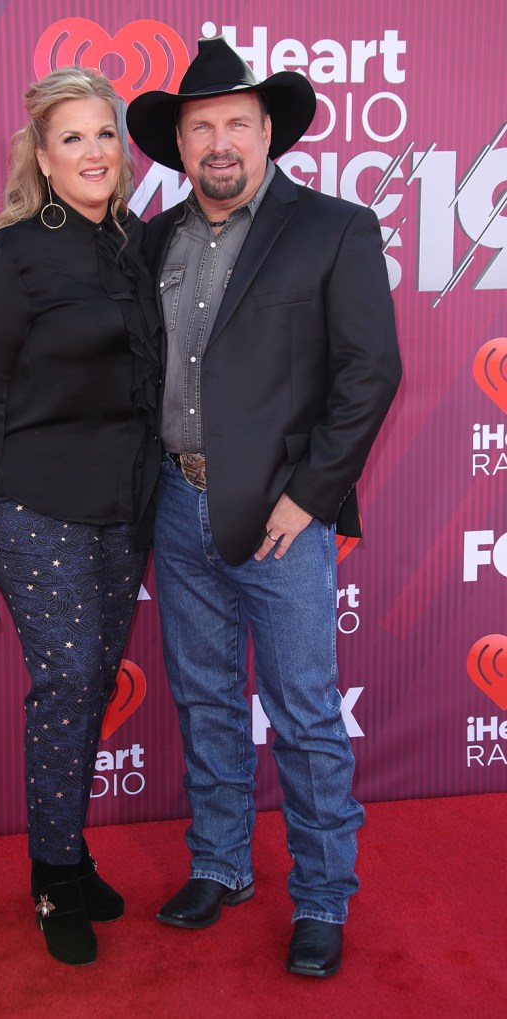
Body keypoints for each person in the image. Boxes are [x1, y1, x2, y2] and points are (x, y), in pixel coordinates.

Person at [126, 36, 401, 977]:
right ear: (178, 142)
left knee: (304, 712)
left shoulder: (333, 227)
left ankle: (322, 897)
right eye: (201, 124)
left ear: (268, 129)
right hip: (175, 501)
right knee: (204, 698)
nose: (220, 141)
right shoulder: (153, 239)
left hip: (284, 516)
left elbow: (370, 373)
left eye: (237, 121)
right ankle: (219, 864)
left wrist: (309, 497)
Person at [0, 67, 160, 967]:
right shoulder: (13, 257)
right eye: (72, 137)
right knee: (67, 687)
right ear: (42, 153)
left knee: (95, 683)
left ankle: (74, 850)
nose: (94, 152)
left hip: (126, 507)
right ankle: (53, 873)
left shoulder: (138, 246)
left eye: (105, 134)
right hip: (38, 508)